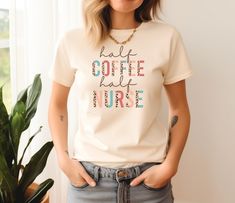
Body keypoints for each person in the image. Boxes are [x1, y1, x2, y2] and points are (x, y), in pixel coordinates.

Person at [48, 0, 193, 202]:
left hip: (149, 186)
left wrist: (171, 165)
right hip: (89, 183)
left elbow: (179, 108)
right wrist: (63, 160)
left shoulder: (167, 38)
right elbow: (57, 104)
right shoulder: (72, 40)